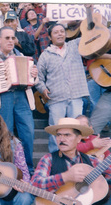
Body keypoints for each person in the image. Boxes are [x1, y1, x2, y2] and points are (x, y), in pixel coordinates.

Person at [31, 117, 111, 205]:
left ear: (79, 138)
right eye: (59, 135)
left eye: (67, 135)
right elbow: (35, 184)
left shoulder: (90, 160)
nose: (61, 139)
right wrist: (65, 177)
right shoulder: (48, 159)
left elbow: (108, 170)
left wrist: (100, 185)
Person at [0, 26, 38, 175]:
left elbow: (33, 81)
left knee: (28, 132)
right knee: (6, 133)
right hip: (3, 98)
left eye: (13, 38)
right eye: (7, 38)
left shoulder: (21, 55)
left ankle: (28, 170)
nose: (11, 41)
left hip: (22, 96)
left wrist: (34, 75)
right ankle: (8, 170)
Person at [35, 23, 89, 153]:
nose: (60, 34)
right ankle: (55, 160)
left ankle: (75, 158)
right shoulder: (45, 55)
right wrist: (42, 88)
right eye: (56, 32)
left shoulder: (75, 46)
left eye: (61, 31)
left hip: (76, 96)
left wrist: (89, 10)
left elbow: (90, 34)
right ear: (50, 37)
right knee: (56, 131)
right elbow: (37, 77)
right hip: (56, 99)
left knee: (76, 131)